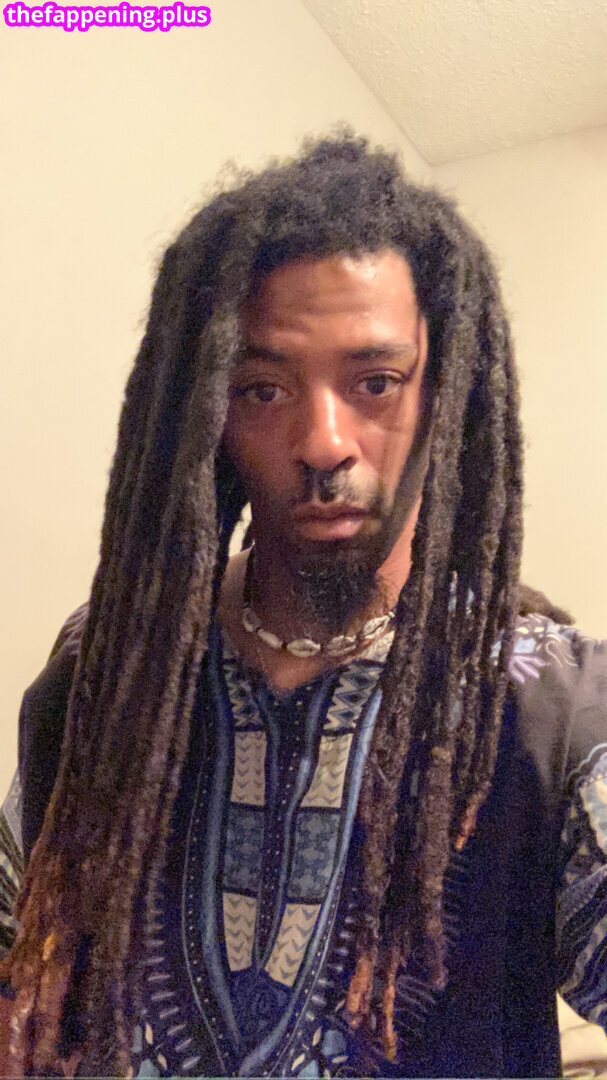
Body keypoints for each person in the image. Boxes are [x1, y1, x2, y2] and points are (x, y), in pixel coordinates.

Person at [0, 135, 605, 1079]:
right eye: (263, 388)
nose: (323, 441)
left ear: (443, 395)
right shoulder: (109, 671)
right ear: (207, 412)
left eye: (374, 382)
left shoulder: (552, 707)